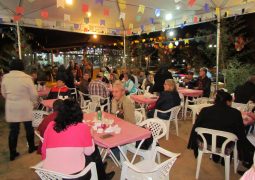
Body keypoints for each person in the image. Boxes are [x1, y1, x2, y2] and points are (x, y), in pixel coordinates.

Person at [42, 99, 114, 180]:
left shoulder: (50, 125)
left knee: (87, 153)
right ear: (78, 113)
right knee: (93, 150)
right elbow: (89, 151)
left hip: (50, 175)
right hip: (73, 177)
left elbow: (43, 151)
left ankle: (99, 169)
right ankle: (101, 175)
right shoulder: (82, 127)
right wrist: (91, 136)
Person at [188, 90, 255, 168]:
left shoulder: (205, 110)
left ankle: (215, 157)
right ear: (227, 101)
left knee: (216, 132)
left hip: (206, 142)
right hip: (225, 144)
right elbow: (240, 132)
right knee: (232, 136)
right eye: (231, 102)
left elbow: (196, 127)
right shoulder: (235, 113)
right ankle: (225, 159)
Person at [1, 59, 38, 161]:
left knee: (13, 130)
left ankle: (12, 153)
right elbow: (34, 94)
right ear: (22, 66)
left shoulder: (5, 77)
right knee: (29, 128)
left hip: (12, 107)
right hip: (25, 106)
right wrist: (34, 102)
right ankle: (31, 147)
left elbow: (3, 93)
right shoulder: (27, 78)